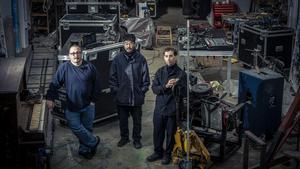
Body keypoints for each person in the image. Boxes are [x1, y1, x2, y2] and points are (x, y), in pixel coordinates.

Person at [46, 44, 101, 159]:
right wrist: (50, 98)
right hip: (72, 106)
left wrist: (93, 101)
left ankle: (84, 149)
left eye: (78, 52)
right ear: (69, 56)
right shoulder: (64, 68)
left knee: (87, 129)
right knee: (75, 126)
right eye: (73, 53)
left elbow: (98, 84)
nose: (76, 55)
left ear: (81, 53)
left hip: (88, 105)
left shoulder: (90, 67)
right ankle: (94, 141)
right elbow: (55, 84)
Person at [146, 47, 187, 165]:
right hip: (159, 109)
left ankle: (168, 154)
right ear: (163, 57)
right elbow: (154, 89)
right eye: (166, 56)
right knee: (157, 132)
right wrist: (166, 86)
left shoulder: (181, 74)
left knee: (170, 134)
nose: (169, 59)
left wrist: (178, 85)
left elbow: (184, 94)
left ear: (176, 57)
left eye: (171, 56)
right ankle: (158, 152)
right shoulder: (160, 72)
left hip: (172, 109)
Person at [109, 34, 150, 149]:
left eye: (131, 43)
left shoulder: (141, 59)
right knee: (123, 121)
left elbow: (146, 79)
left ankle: (136, 139)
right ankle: (124, 138)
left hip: (136, 98)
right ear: (123, 44)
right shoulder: (117, 59)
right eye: (126, 43)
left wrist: (141, 92)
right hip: (122, 98)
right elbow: (112, 78)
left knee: (137, 121)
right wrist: (117, 92)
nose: (129, 46)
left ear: (135, 44)